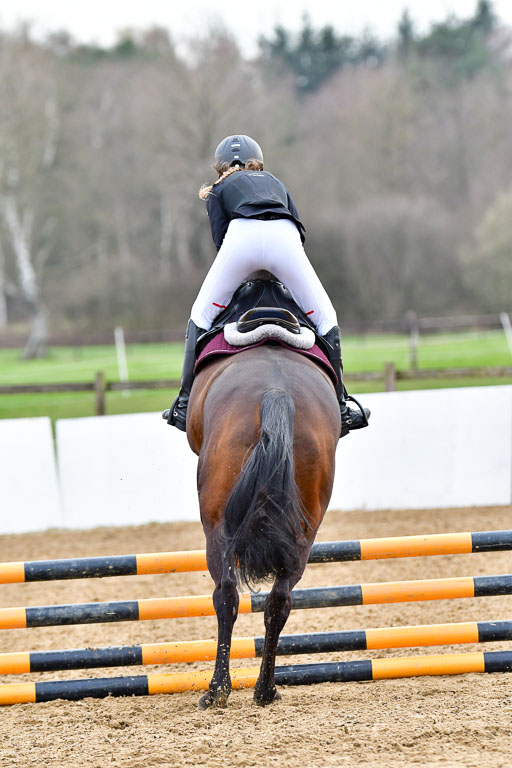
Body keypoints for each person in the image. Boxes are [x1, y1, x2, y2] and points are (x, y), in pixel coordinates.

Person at [165, 134, 370, 437]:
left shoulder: (219, 188)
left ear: (220, 167)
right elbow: (300, 233)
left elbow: (220, 241)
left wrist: (245, 268)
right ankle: (340, 405)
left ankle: (183, 403)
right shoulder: (276, 183)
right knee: (327, 318)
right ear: (258, 162)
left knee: (200, 316)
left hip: (240, 236)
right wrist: (280, 267)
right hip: (284, 238)